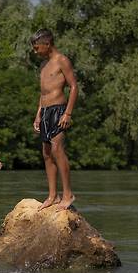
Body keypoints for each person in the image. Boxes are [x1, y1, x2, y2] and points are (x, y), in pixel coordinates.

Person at [31, 29, 79, 211]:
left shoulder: (62, 60)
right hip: (45, 112)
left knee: (58, 149)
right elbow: (43, 93)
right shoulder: (43, 65)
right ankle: (53, 195)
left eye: (37, 48)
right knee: (46, 153)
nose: (36, 51)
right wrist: (38, 113)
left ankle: (68, 194)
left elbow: (74, 87)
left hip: (59, 110)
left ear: (47, 44)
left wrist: (68, 113)